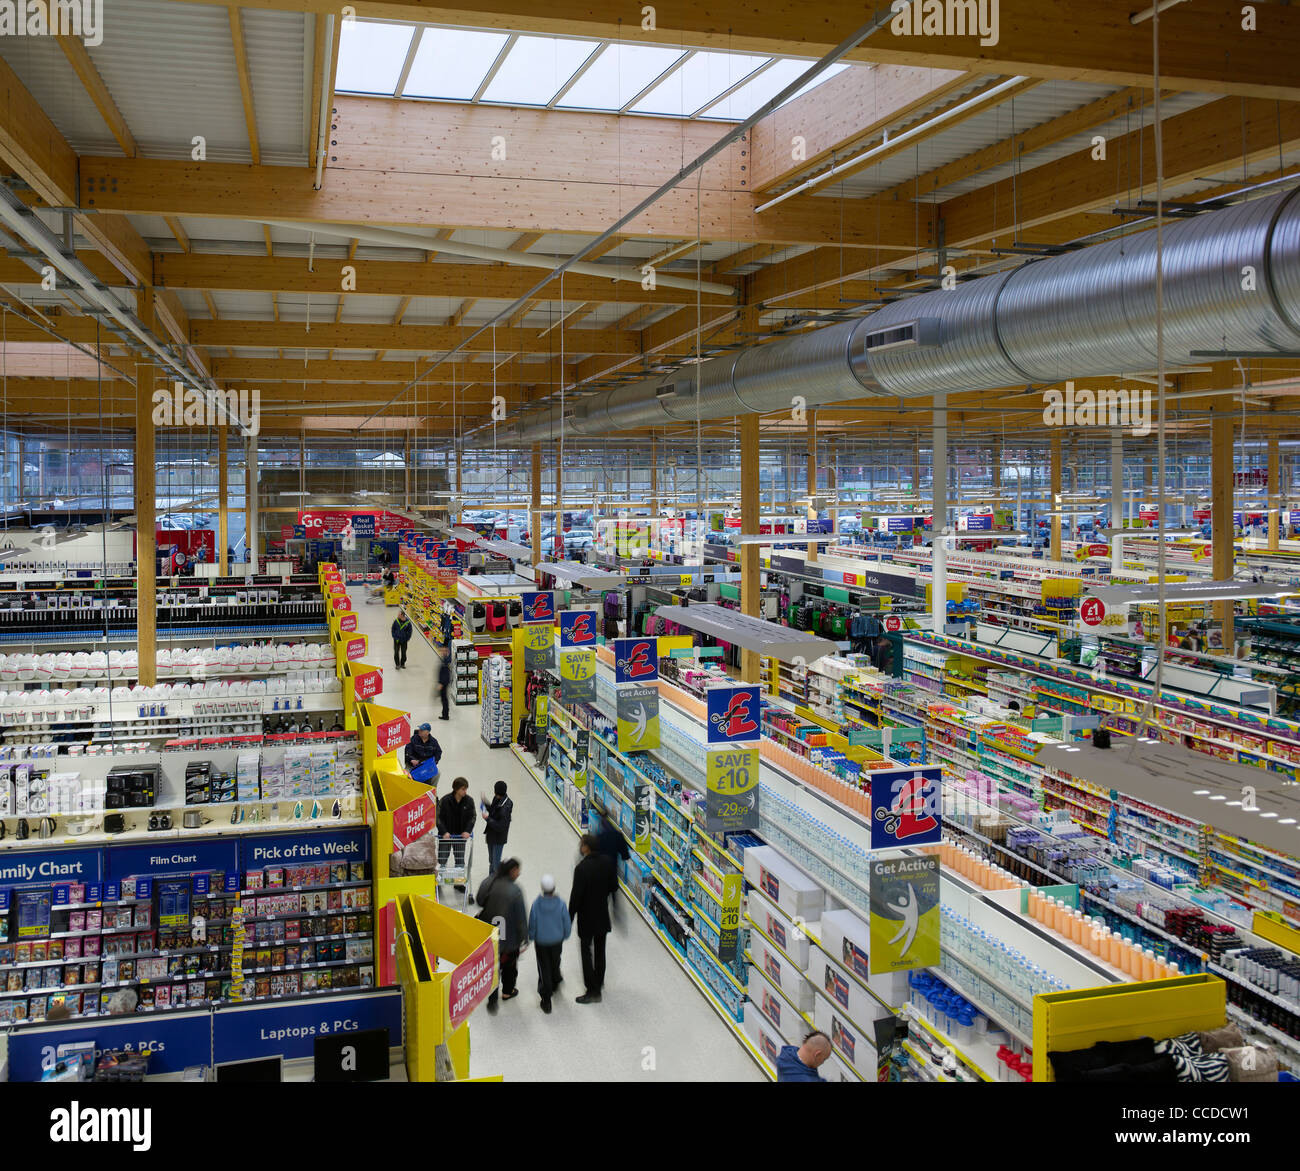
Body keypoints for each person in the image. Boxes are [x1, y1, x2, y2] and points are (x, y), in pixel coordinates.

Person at [569, 833, 615, 1005]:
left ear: (586, 847)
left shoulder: (581, 869)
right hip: (602, 915)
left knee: (586, 952)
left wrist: (569, 919)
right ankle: (599, 982)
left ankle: (592, 990)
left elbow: (575, 898)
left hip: (586, 918)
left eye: (581, 844)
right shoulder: (608, 863)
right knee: (600, 950)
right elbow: (613, 887)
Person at [476, 858, 526, 1012]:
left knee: (493, 965)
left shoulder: (488, 882)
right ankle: (507, 991)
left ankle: (492, 997)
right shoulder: (515, 891)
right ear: (512, 871)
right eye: (518, 870)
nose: (519, 873)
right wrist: (524, 938)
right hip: (509, 938)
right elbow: (521, 918)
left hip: (489, 932)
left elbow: (479, 900)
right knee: (510, 966)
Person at [528, 873, 571, 1014]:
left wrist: (532, 936)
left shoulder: (536, 904)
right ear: (554, 888)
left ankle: (546, 999)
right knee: (555, 961)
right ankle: (556, 980)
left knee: (543, 967)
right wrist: (566, 934)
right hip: (557, 941)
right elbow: (566, 921)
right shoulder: (561, 904)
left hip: (541, 942)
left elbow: (532, 923)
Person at [437, 776, 476, 895]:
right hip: (446, 837)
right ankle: (439, 882)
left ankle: (458, 883)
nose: (465, 792)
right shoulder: (445, 800)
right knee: (442, 860)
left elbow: (472, 817)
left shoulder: (469, 801)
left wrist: (467, 831)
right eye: (463, 789)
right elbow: (437, 818)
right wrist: (444, 832)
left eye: (466, 789)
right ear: (456, 789)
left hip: (460, 837)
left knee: (460, 862)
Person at [481, 780, 513, 877]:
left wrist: (487, 819)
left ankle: (496, 879)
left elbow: (500, 827)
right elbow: (493, 810)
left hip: (499, 838)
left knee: (496, 862)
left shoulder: (506, 807)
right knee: (491, 859)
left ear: (495, 791)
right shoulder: (498, 798)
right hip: (491, 834)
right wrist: (485, 802)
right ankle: (492, 876)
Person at [436, 647, 452, 720]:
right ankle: (445, 714)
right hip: (443, 682)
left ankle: (445, 716)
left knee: (444, 699)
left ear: (447, 651)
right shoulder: (444, 659)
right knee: (443, 699)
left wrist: (441, 683)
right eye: (441, 650)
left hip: (444, 683)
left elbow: (445, 673)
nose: (442, 652)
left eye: (444, 650)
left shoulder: (446, 660)